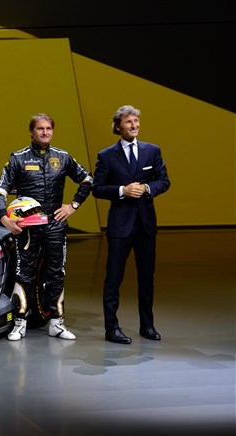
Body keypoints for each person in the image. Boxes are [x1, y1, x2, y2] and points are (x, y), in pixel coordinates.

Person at [0, 113, 93, 341]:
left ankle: (57, 323)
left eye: (49, 128)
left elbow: (88, 180)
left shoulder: (63, 157)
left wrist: (73, 206)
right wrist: (4, 218)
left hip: (55, 225)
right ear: (31, 131)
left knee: (56, 274)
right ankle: (20, 323)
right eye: (40, 128)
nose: (45, 132)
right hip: (27, 227)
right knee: (23, 274)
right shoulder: (18, 158)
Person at [92, 105, 170, 344]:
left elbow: (164, 181)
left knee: (147, 277)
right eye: (128, 122)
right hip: (120, 225)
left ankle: (147, 325)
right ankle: (111, 328)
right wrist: (122, 191)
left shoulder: (152, 151)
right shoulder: (107, 155)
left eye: (136, 121)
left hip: (146, 224)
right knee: (113, 278)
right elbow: (97, 188)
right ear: (118, 127)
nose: (134, 125)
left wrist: (147, 188)